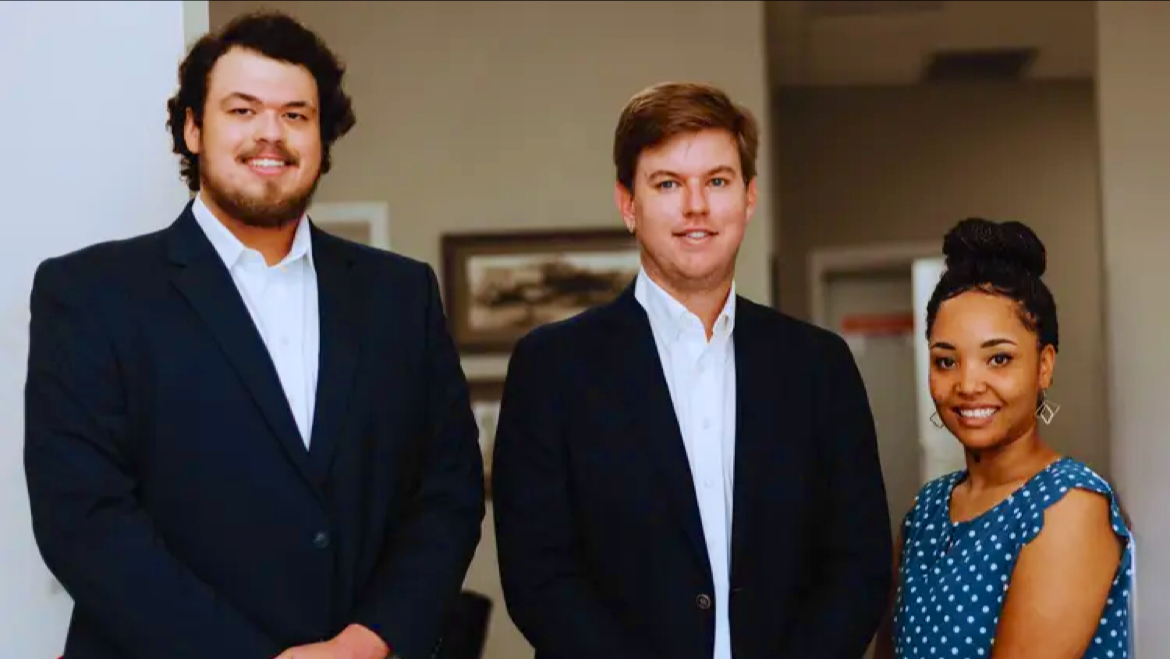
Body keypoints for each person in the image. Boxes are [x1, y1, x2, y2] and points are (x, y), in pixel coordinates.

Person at [24, 11, 484, 659]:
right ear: (193, 128)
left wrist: (366, 641)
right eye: (242, 110)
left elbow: (449, 492)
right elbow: (84, 519)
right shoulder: (91, 294)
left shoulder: (400, 295)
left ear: (322, 136)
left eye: (296, 114)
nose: (271, 133)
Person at [491, 81, 893, 659]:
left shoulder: (820, 367)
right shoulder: (552, 369)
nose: (696, 206)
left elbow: (858, 565)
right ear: (628, 204)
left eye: (717, 181)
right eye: (668, 184)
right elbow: (539, 576)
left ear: (748, 198)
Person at [873, 218, 1133, 659]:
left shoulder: (1069, 505)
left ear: (1044, 366)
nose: (968, 385)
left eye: (998, 359)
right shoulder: (926, 512)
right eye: (946, 361)